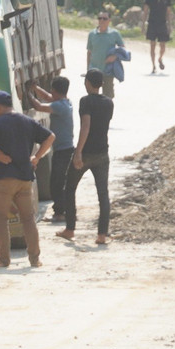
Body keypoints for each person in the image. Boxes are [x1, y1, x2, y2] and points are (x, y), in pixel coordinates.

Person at [0, 90, 54, 269]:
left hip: (4, 178)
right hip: (25, 178)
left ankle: (3, 259)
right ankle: (35, 259)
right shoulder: (27, 121)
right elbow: (50, 137)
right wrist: (36, 157)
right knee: (28, 219)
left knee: (0, 218)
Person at [55, 68, 114, 246]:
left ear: (87, 83)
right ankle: (102, 235)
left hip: (86, 153)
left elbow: (85, 127)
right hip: (103, 153)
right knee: (103, 194)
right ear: (102, 84)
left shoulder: (85, 101)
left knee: (70, 188)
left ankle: (70, 229)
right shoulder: (109, 103)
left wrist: (78, 152)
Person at [27, 76, 75, 224]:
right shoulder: (65, 102)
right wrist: (35, 88)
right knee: (60, 182)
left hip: (63, 151)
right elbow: (47, 97)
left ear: (55, 90)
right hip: (65, 149)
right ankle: (63, 211)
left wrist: (27, 92)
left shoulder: (60, 106)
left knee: (57, 183)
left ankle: (60, 213)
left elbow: (39, 106)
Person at [85, 11, 125, 99]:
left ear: (109, 20)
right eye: (100, 18)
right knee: (92, 97)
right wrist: (88, 69)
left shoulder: (114, 34)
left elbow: (122, 48)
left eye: (104, 18)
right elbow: (89, 52)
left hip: (108, 70)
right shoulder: (92, 34)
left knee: (107, 97)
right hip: (94, 70)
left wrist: (114, 57)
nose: (102, 20)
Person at [144, 0, 173, 73]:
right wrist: (143, 25)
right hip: (152, 23)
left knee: (163, 46)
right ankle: (153, 66)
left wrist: (169, 26)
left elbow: (168, 13)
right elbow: (145, 12)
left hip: (162, 23)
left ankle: (160, 58)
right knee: (152, 45)